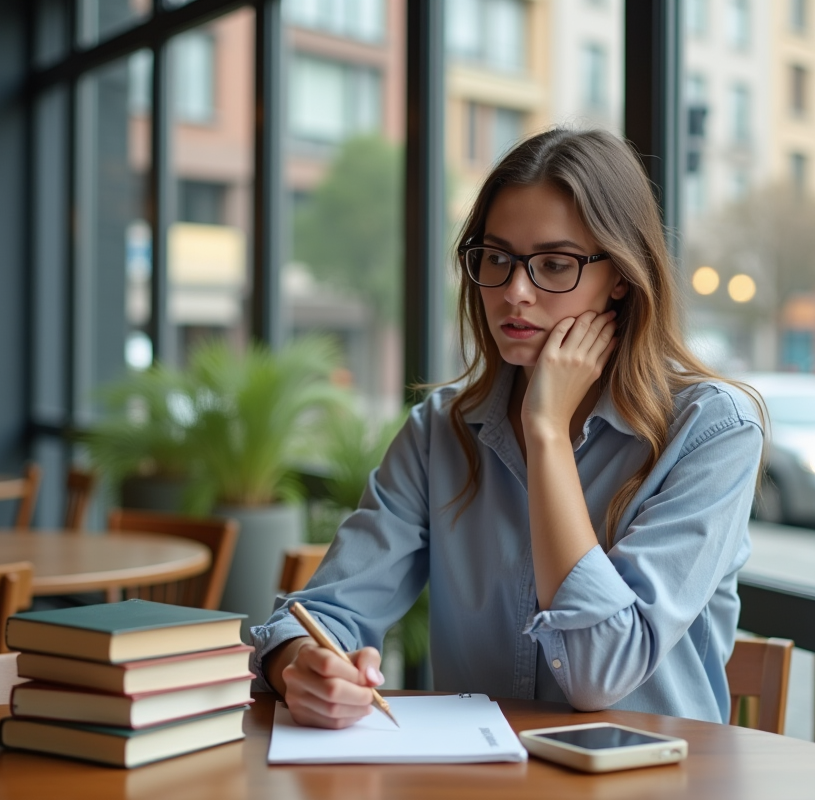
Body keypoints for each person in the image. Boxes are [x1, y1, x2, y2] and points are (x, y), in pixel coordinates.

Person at [252, 127, 765, 729]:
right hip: (479, 783)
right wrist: (303, 666)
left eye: (554, 264)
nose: (515, 292)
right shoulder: (440, 430)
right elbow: (323, 612)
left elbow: (601, 671)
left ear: (622, 276)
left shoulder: (711, 432)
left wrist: (545, 430)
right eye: (497, 259)